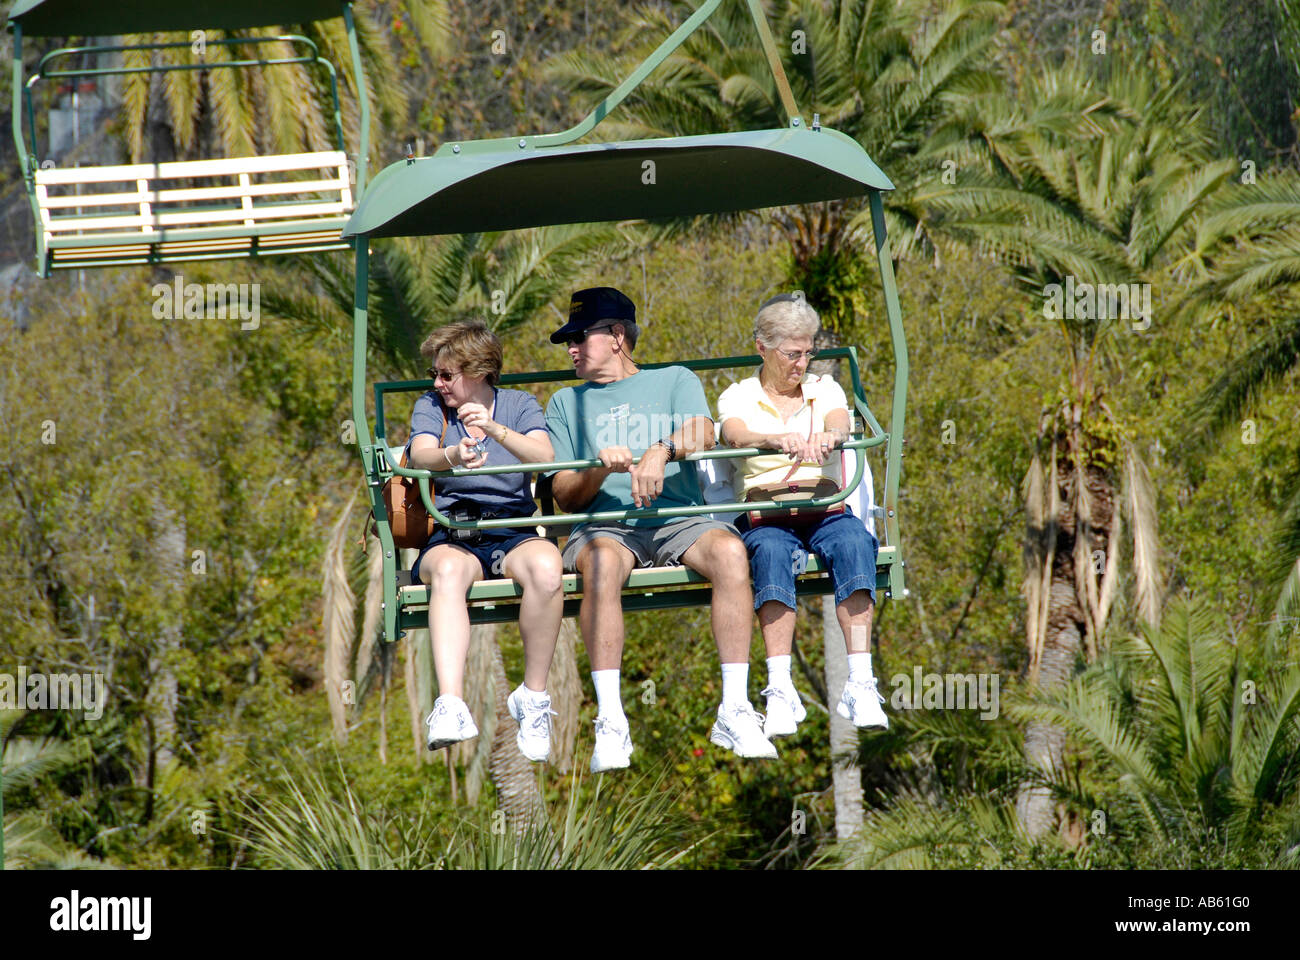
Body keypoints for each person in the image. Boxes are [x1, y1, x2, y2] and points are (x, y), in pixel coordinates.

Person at [545, 286, 778, 772]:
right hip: (604, 528)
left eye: (578, 339)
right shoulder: (566, 403)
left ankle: (734, 707)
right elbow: (563, 495)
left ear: (615, 337)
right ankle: (610, 720)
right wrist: (599, 470)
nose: (570, 349)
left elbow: (702, 431)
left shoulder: (675, 379)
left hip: (678, 521)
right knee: (604, 564)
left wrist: (660, 450)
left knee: (732, 554)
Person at [716, 293, 888, 738]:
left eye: (808, 351)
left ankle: (861, 680)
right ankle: (778, 686)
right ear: (763, 348)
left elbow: (839, 419)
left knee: (853, 542)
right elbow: (734, 433)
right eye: (793, 353)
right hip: (766, 514)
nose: (801, 362)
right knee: (770, 553)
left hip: (823, 507)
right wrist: (775, 440)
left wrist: (829, 437)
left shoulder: (822, 388)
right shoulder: (738, 395)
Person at [408, 320, 564, 762]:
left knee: (548, 567)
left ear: (477, 370)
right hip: (452, 529)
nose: (438, 384)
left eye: (446, 375)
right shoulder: (431, 407)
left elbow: (545, 456)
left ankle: (533, 698)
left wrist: (494, 431)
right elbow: (421, 455)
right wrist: (454, 455)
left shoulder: (517, 405)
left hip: (511, 529)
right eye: (435, 375)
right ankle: (451, 703)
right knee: (449, 571)